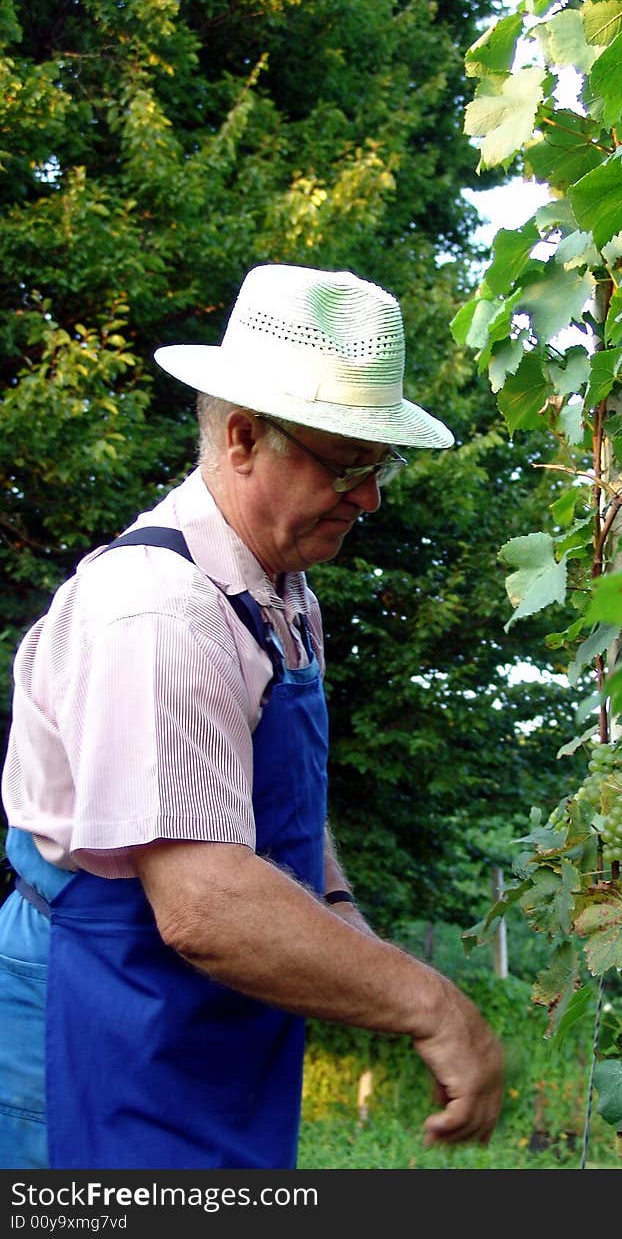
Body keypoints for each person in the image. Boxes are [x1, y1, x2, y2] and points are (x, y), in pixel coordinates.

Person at [0, 263, 504, 1170]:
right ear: (241, 437)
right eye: (348, 466)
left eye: (378, 465)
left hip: (212, 1014)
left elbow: (273, 813)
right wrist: (432, 1003)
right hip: (99, 1012)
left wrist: (340, 918)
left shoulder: (282, 589)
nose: (372, 498)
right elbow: (204, 907)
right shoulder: (159, 613)